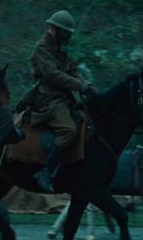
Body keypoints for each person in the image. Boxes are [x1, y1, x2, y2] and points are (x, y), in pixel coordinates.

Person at [27, 10, 97, 192]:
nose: (66, 36)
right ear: (53, 29)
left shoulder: (60, 48)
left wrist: (87, 84)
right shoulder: (42, 48)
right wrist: (80, 87)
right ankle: (45, 172)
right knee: (69, 130)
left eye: (68, 33)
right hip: (47, 99)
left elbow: (70, 71)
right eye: (63, 31)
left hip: (62, 97)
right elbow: (53, 74)